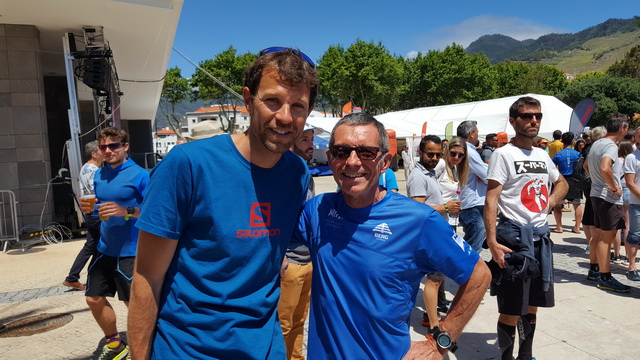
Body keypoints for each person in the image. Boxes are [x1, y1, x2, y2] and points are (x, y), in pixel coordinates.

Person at [128, 48, 318, 359]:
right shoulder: (188, 165)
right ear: (247, 100)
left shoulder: (297, 173)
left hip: (266, 348)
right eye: (272, 100)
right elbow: (147, 276)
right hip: (188, 350)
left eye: (298, 105)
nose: (285, 116)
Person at [294, 113, 490, 359]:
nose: (352, 162)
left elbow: (479, 275)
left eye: (366, 153)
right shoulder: (318, 210)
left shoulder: (418, 220)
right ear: (331, 158)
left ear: (385, 161)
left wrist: (441, 340)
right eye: (341, 151)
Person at [484, 96, 568, 360]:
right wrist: (493, 243)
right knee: (511, 307)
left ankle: (526, 355)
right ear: (513, 121)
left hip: (540, 239)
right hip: (514, 240)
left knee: (533, 304)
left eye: (538, 116)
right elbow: (491, 199)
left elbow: (563, 183)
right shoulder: (502, 154)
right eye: (527, 116)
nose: (534, 121)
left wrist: (550, 203)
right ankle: (506, 357)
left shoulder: (542, 154)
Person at [78, 127, 149, 360]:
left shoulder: (140, 175)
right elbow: (103, 206)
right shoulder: (99, 174)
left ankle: (151, 349)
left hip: (132, 251)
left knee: (135, 306)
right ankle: (116, 346)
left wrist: (126, 210)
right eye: (103, 147)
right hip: (105, 247)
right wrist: (92, 208)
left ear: (125, 146)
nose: (108, 151)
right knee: (93, 298)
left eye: (114, 145)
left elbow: (154, 210)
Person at [406, 135, 463, 338]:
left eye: (438, 154)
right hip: (428, 236)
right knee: (434, 280)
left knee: (436, 279)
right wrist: (445, 207)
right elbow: (417, 209)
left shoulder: (429, 173)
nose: (435, 158)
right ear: (420, 153)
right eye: (430, 154)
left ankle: (430, 317)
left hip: (436, 233)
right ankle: (432, 325)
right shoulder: (418, 176)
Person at [279, 127, 316, 360]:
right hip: (289, 261)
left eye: (312, 139)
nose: (310, 144)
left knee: (300, 321)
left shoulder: (305, 172)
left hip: (307, 259)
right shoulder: (284, 174)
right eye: (305, 139)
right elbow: (274, 217)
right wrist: (280, 255)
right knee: (283, 324)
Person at [584, 112, 631, 293]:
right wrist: (613, 187)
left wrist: (597, 182)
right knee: (606, 238)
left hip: (596, 194)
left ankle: (594, 269)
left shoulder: (597, 143)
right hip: (608, 198)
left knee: (598, 236)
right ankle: (605, 276)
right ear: (622, 128)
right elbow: (605, 167)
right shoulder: (611, 146)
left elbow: (586, 166)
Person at [63, 140, 104, 291]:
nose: (105, 151)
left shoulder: (85, 168)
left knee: (91, 246)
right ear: (94, 154)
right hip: (97, 212)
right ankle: (94, 280)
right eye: (102, 149)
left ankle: (72, 278)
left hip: (89, 211)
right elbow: (99, 192)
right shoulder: (95, 171)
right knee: (106, 244)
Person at [457, 120, 488, 252]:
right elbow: (487, 175)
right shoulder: (469, 151)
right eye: (477, 132)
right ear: (471, 134)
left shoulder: (464, 150)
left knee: (473, 242)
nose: (477, 135)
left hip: (468, 202)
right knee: (474, 247)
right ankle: (467, 271)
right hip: (472, 204)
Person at [551, 132, 583, 234]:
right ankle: (577, 227)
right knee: (577, 205)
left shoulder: (558, 155)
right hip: (575, 180)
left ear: (562, 141)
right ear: (572, 141)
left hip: (562, 180)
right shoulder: (578, 154)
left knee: (557, 205)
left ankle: (559, 227)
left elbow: (551, 168)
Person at [623, 128, 640, 281]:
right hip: (637, 203)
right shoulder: (632, 158)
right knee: (634, 235)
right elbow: (630, 183)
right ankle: (632, 266)